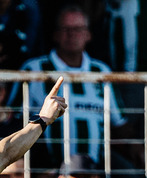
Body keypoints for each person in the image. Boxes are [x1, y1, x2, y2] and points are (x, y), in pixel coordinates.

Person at [18, 5, 127, 169]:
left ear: (89, 34)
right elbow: (12, 119)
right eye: (66, 29)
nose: (72, 35)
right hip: (46, 171)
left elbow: (119, 124)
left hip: (95, 174)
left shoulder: (101, 71)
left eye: (78, 29)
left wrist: (140, 150)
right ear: (55, 34)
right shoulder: (33, 69)